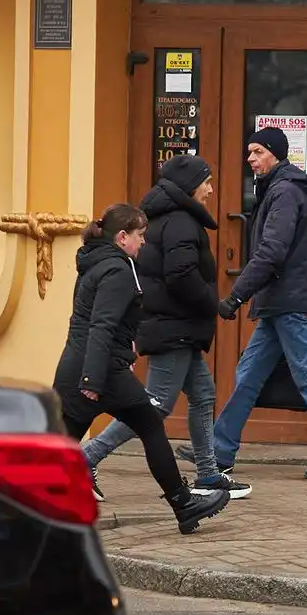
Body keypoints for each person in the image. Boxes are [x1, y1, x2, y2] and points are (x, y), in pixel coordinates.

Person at [80, 155, 251, 503]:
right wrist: (211, 302)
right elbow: (180, 274)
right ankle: (86, 457)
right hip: (174, 326)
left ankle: (208, 474)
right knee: (152, 407)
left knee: (203, 393)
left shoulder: (169, 217)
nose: (211, 189)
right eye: (206, 182)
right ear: (191, 185)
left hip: (174, 324)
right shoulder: (182, 222)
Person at [53, 203, 232, 534]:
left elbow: (97, 321)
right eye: (140, 235)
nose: (144, 242)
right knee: (150, 426)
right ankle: (183, 503)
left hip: (80, 366)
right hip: (100, 370)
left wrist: (124, 349)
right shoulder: (118, 269)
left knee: (60, 445)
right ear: (122, 237)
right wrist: (93, 378)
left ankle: (19, 505)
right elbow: (101, 325)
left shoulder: (94, 262)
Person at [213, 126, 307, 481]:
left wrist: (237, 295)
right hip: (279, 300)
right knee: (249, 373)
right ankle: (219, 448)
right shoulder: (279, 189)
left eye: (257, 152)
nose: (251, 159)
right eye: (249, 153)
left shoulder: (283, 192)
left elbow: (272, 250)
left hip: (285, 299)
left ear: (275, 153)